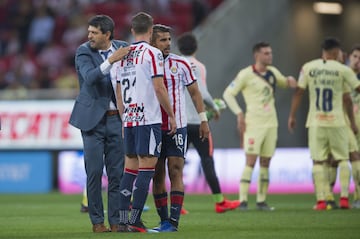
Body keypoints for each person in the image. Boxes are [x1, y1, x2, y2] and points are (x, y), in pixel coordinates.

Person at [110, 12, 176, 233]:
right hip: (148, 120)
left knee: (130, 171)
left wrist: (124, 118)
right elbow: (159, 87)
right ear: (151, 30)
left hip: (129, 119)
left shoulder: (123, 55)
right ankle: (135, 220)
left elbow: (118, 93)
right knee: (147, 169)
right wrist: (172, 115)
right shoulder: (153, 53)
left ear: (132, 31)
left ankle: (121, 220)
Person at [69, 15, 130, 233]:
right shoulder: (84, 51)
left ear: (107, 34)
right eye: (89, 32)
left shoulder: (123, 47)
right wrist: (111, 60)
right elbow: (90, 77)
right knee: (94, 172)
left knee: (118, 174)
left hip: (117, 119)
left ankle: (116, 221)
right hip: (92, 122)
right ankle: (97, 222)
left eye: (94, 33)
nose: (89, 36)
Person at [149, 24, 210, 232]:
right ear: (152, 42)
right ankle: (164, 220)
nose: (167, 44)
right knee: (157, 175)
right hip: (154, 126)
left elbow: (195, 93)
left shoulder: (181, 64)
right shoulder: (146, 64)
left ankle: (173, 222)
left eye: (168, 39)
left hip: (179, 127)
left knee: (175, 170)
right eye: (162, 40)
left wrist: (203, 119)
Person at [287, 37, 360, 210]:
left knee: (319, 161)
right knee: (343, 159)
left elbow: (298, 91)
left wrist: (292, 115)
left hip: (316, 121)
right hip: (338, 122)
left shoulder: (308, 67)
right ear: (336, 52)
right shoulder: (342, 70)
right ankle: (344, 198)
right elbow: (352, 94)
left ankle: (321, 200)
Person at [223, 42, 297, 211]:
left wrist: (290, 81)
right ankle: (242, 200)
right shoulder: (246, 74)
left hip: (271, 123)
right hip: (253, 124)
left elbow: (284, 82)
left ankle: (261, 201)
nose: (270, 56)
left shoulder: (272, 72)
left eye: (270, 53)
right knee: (250, 161)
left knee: (266, 162)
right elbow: (228, 94)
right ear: (257, 55)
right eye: (266, 53)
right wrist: (239, 113)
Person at [177, 32, 240, 213]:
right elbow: (201, 93)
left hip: (180, 122)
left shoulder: (174, 64)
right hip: (198, 121)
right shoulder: (198, 66)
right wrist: (215, 108)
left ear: (180, 48)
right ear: (196, 47)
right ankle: (219, 202)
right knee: (207, 160)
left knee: (177, 162)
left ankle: (177, 204)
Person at [348, 44, 360, 208]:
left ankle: (357, 196)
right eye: (355, 57)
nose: (358, 61)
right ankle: (326, 197)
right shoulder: (342, 75)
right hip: (343, 125)